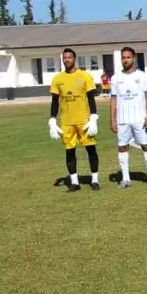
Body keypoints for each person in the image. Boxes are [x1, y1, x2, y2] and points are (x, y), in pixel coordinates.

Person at [48, 47, 101, 191]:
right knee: (69, 151)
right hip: (67, 122)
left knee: (91, 149)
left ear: (74, 59)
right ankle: (75, 182)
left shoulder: (84, 76)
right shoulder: (57, 79)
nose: (67, 60)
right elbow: (54, 101)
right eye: (64, 58)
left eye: (69, 57)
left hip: (84, 121)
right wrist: (52, 120)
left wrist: (93, 118)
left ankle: (95, 180)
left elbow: (91, 98)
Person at [110, 46, 147, 188]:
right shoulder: (115, 78)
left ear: (134, 58)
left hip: (140, 119)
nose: (125, 60)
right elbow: (113, 99)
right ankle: (126, 179)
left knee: (146, 145)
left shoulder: (141, 76)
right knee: (122, 147)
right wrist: (112, 119)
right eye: (123, 57)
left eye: (128, 57)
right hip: (122, 119)